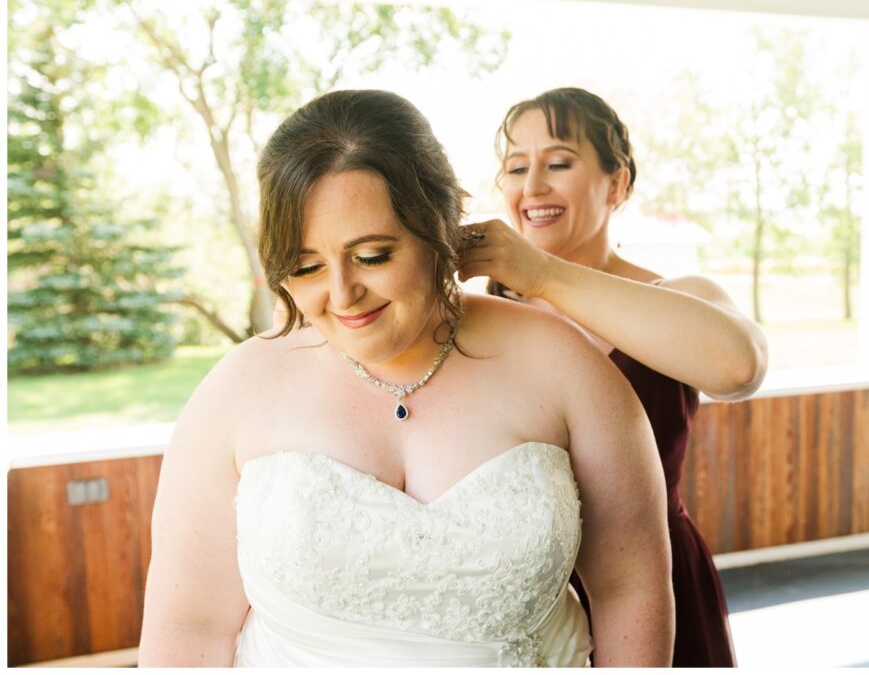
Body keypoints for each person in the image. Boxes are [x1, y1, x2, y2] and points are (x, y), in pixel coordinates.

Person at [137, 89, 674, 667]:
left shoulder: (564, 365)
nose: (342, 295)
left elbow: (630, 588)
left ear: (440, 228)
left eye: (372, 256)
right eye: (306, 266)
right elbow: (187, 628)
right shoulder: (235, 391)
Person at [458, 87, 768, 667]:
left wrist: (544, 274)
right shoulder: (474, 319)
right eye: (516, 167)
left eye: (558, 163)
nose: (532, 187)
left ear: (617, 183)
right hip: (514, 599)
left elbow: (738, 366)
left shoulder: (677, 299)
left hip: (659, 585)